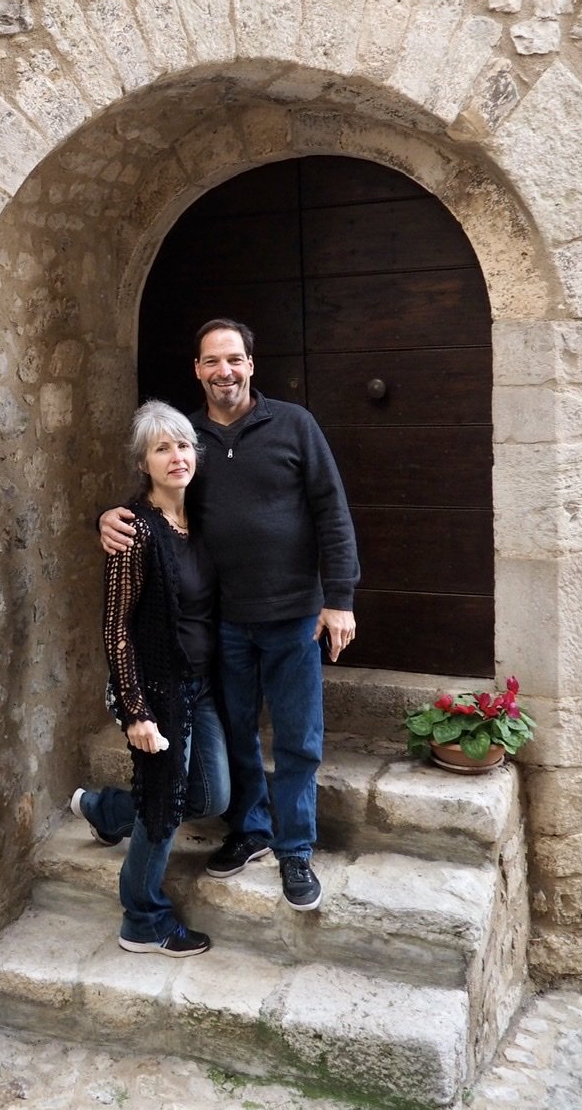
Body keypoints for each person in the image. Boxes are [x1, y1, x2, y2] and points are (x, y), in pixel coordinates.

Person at [99, 320, 359, 913]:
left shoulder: (295, 424)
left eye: (235, 359)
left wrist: (340, 598)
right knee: (238, 735)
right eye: (213, 361)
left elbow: (332, 510)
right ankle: (251, 830)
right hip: (226, 624)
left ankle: (296, 850)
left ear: (251, 364)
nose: (225, 371)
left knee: (298, 739)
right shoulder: (188, 438)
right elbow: (155, 499)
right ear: (198, 370)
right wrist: (105, 519)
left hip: (295, 616)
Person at [72, 399, 230, 956]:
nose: (176, 456)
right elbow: (115, 627)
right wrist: (136, 711)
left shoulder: (200, 520)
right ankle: (143, 919)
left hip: (199, 685)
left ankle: (108, 810)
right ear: (144, 463)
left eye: (184, 445)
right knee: (163, 807)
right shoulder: (134, 532)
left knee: (211, 796)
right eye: (162, 449)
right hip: (157, 689)